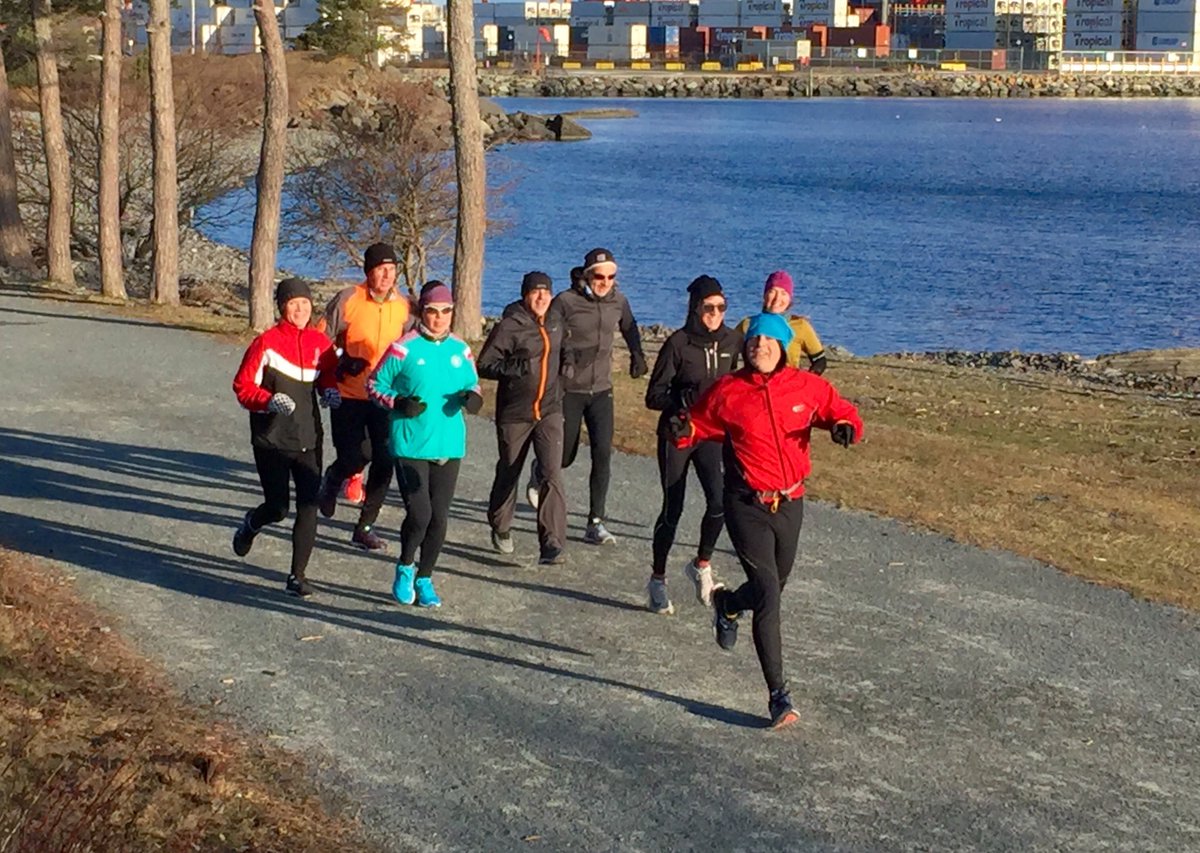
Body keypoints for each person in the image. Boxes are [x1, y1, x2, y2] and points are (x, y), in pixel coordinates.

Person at [671, 312, 863, 729]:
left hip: (790, 501)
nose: (760, 348)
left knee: (771, 589)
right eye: (754, 342)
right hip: (745, 503)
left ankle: (727, 604)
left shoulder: (807, 387)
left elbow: (839, 410)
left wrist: (846, 426)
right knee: (769, 593)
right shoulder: (728, 391)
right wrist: (681, 429)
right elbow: (696, 426)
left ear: (783, 350)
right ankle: (779, 695)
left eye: (768, 343)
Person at [367, 281, 481, 608]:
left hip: (449, 443)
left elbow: (473, 384)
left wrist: (472, 399)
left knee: (439, 517)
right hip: (410, 443)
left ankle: (425, 577)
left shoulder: (460, 349)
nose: (440, 318)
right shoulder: (404, 348)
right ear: (422, 312)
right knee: (420, 513)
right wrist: (397, 403)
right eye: (433, 312)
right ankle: (405, 566)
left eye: (446, 312)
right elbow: (374, 384)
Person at [231, 278, 341, 598]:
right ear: (282, 307)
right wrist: (267, 401)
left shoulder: (320, 344)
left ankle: (297, 576)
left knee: (309, 507)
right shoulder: (265, 343)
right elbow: (242, 387)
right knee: (278, 508)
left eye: (305, 304)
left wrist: (331, 392)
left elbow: (328, 377)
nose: (300, 309)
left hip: (309, 437)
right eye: (293, 304)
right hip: (272, 439)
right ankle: (252, 523)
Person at [531, 248, 648, 546]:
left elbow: (630, 328)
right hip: (569, 389)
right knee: (565, 456)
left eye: (610, 276)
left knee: (602, 454)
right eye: (599, 276)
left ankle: (596, 522)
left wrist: (637, 354)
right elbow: (549, 335)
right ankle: (539, 470)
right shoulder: (566, 302)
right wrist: (566, 356)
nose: (605, 281)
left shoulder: (618, 301)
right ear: (586, 276)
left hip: (602, 390)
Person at [643, 275, 742, 615]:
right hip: (678, 434)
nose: (715, 314)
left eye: (721, 307)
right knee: (674, 508)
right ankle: (657, 579)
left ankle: (701, 564)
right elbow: (653, 396)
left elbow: (742, 382)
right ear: (695, 308)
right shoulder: (679, 343)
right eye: (708, 308)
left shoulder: (732, 340)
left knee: (719, 503)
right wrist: (678, 399)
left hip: (713, 435)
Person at [317, 242, 412, 551]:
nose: (386, 276)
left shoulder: (404, 307)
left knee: (386, 458)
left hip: (385, 394)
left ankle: (365, 526)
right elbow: (320, 340)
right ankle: (334, 477)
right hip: (350, 392)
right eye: (380, 269)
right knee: (356, 455)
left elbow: (413, 347)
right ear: (368, 271)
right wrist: (340, 360)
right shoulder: (349, 299)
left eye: (392, 270)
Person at [477, 271, 568, 565]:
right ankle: (500, 524)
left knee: (551, 473)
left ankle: (551, 542)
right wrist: (511, 367)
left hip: (550, 410)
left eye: (546, 292)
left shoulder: (555, 320)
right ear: (525, 295)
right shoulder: (510, 325)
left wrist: (569, 365)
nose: (541, 297)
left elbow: (564, 349)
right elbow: (485, 364)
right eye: (535, 292)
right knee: (510, 469)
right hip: (515, 413)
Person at [736, 271, 827, 374]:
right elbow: (728, 351)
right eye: (772, 291)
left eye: (783, 293)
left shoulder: (800, 326)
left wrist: (803, 382)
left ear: (789, 299)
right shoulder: (748, 324)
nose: (777, 298)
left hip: (788, 387)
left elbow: (820, 360)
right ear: (764, 296)